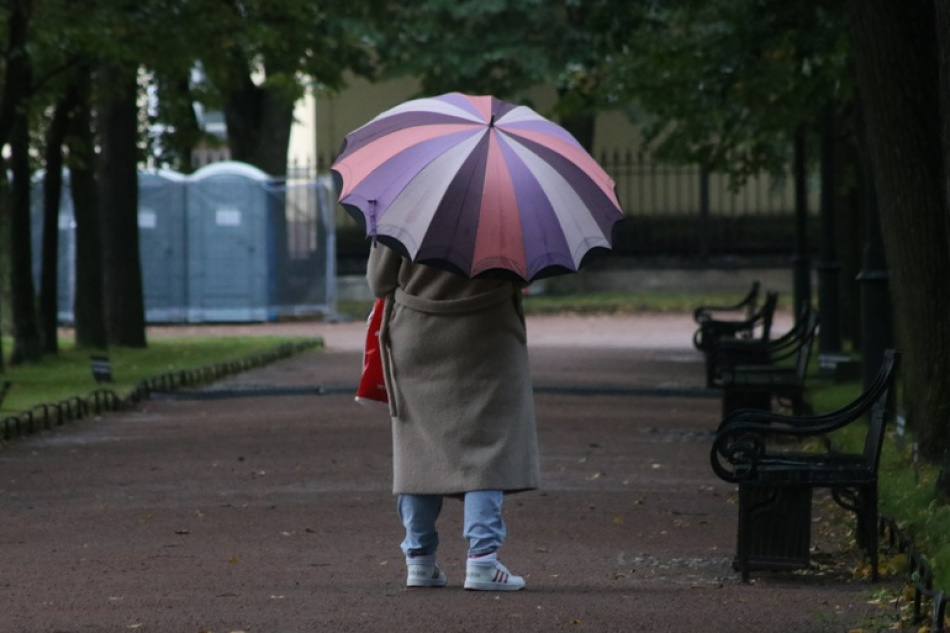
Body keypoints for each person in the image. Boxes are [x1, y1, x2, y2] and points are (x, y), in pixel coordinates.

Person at [366, 242, 540, 591]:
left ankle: (420, 560)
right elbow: (524, 274)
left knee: (418, 447)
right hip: (489, 332)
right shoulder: (505, 206)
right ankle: (482, 562)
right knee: (487, 445)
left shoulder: (404, 202)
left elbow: (379, 282)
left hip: (418, 333)